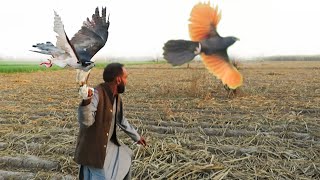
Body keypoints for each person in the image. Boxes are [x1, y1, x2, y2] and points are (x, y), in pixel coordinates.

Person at [74, 62, 146, 180]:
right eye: (125, 77)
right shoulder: (97, 93)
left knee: (125, 157)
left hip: (109, 146)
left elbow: (121, 120)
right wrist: (86, 101)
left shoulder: (116, 97)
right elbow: (86, 122)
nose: (126, 81)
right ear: (118, 80)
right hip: (94, 149)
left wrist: (137, 137)